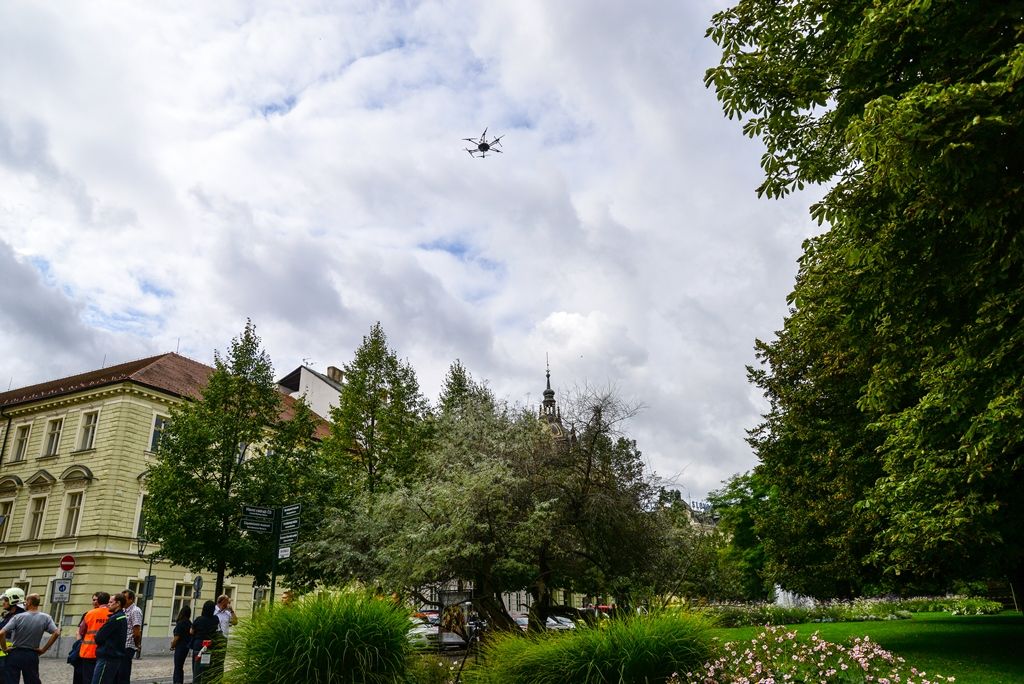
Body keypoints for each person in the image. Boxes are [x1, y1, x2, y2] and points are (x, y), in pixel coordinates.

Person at [0, 593, 60, 684]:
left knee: (10, 680)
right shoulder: (46, 618)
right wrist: (43, 649)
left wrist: (4, 648)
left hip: (15, 653)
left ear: (29, 602)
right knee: (32, 681)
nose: (24, 603)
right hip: (31, 654)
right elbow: (56, 633)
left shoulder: (17, 617)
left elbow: (1, 632)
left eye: (25, 601)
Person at [92, 594, 127, 684]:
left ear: (118, 603)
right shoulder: (121, 617)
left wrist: (97, 636)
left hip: (107, 657)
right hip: (113, 656)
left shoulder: (115, 619)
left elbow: (99, 637)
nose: (108, 604)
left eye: (111, 602)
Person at [78, 592, 111, 684]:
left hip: (88, 651)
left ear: (98, 601)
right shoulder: (113, 614)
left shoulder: (89, 613)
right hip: (105, 651)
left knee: (88, 678)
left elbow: (81, 631)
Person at [114, 590, 142, 684]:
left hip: (128, 646)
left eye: (124, 598)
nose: (122, 600)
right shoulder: (124, 610)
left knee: (123, 673)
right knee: (118, 673)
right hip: (121, 645)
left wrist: (137, 644)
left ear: (131, 599)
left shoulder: (135, 611)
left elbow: (137, 631)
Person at [189, 601, 221, 684]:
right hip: (210, 645)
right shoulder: (215, 619)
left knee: (197, 671)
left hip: (199, 646)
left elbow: (191, 632)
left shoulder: (199, 619)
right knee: (207, 669)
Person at [0, 589, 26, 680]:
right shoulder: (7, 615)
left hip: (10, 654)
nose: (3, 603)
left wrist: (5, 648)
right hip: (3, 654)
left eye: (6, 600)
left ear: (13, 600)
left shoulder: (20, 616)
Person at [170, 605, 191, 684]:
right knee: (180, 667)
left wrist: (172, 646)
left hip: (180, 647)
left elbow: (177, 637)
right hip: (186, 647)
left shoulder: (180, 623)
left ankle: (177, 682)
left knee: (177, 667)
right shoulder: (189, 623)